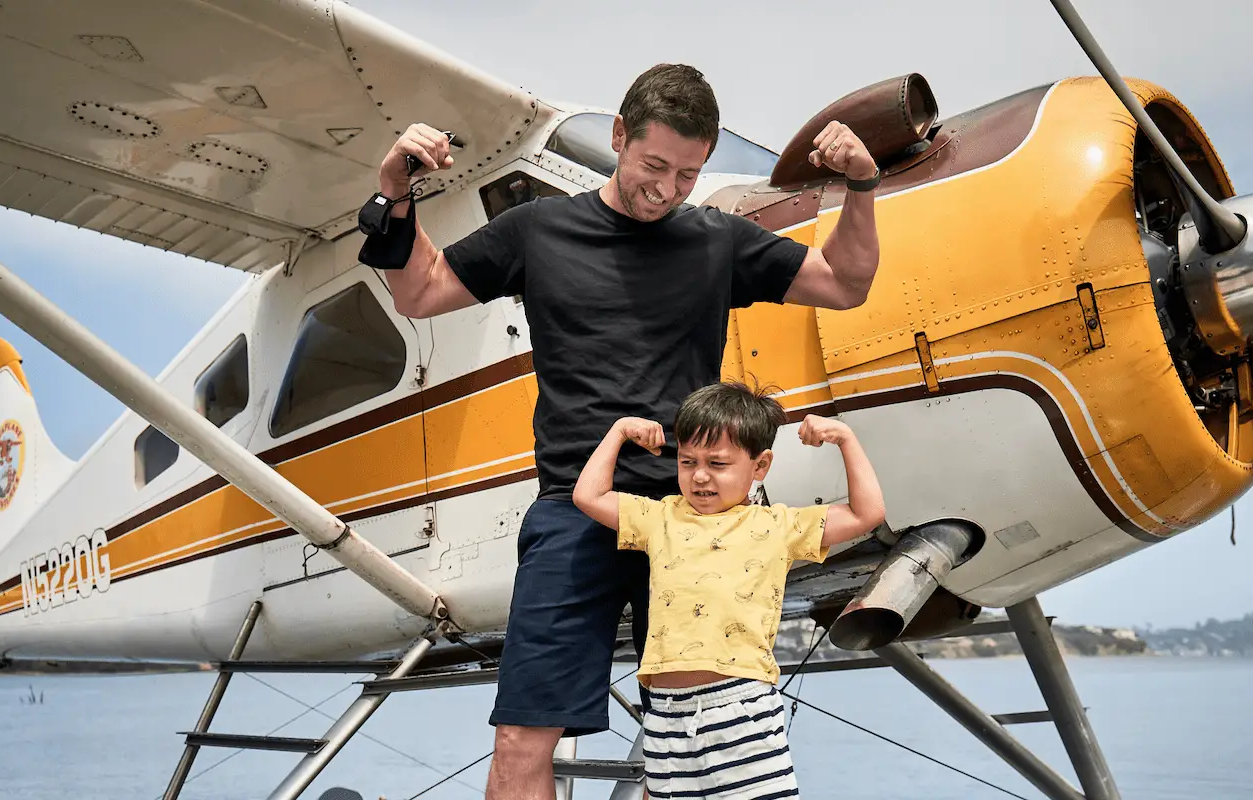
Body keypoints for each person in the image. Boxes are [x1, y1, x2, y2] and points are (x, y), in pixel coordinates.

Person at [356, 63, 883, 799]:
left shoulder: (716, 241)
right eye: (654, 165)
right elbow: (419, 290)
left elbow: (844, 282)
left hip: (697, 515)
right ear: (618, 139)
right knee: (518, 743)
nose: (668, 189)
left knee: (722, 742)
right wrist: (395, 195)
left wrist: (860, 189)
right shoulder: (537, 231)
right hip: (578, 507)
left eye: (689, 174)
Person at [572, 381, 886, 798]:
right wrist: (618, 432)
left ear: (760, 466)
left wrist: (845, 438)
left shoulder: (778, 525)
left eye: (718, 464)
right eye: (687, 462)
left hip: (739, 706)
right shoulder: (660, 517)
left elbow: (868, 512)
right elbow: (588, 495)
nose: (700, 476)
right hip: (665, 713)